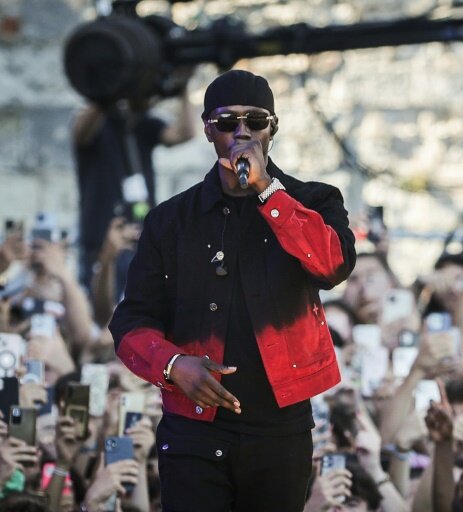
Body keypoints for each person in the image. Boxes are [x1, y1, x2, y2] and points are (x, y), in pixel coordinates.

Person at [108, 69, 356, 511]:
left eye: (254, 121)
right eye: (226, 122)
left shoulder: (314, 200)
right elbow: (130, 319)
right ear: (207, 129)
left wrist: (266, 191)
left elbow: (333, 265)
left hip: (279, 426)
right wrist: (173, 365)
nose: (241, 132)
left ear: (272, 128)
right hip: (194, 428)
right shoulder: (171, 220)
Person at [72, 88, 195, 290]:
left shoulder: (142, 124)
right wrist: (111, 88)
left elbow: (185, 133)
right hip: (101, 246)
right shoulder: (96, 124)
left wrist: (182, 88)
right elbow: (80, 133)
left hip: (141, 246)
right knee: (102, 316)